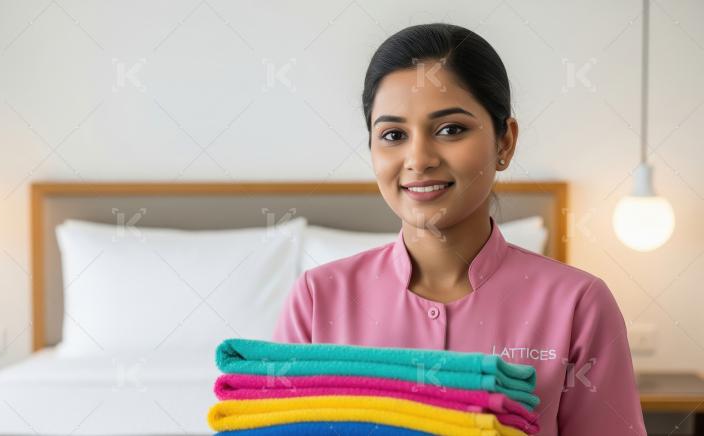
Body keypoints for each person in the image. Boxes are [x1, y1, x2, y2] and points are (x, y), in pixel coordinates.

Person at [273, 23, 647, 435]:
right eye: (393, 135)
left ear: (504, 142)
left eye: (450, 129)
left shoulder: (578, 305)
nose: (418, 158)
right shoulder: (316, 302)